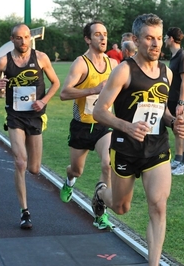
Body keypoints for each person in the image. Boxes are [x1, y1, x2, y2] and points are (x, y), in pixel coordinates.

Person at [92, 13, 184, 265]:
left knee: (158, 206)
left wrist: (175, 123)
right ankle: (102, 193)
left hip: (157, 148)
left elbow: (164, 111)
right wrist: (127, 126)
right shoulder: (124, 71)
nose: (155, 44)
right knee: (121, 207)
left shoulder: (166, 73)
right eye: (149, 38)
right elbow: (99, 111)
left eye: (158, 38)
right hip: (126, 149)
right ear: (136, 40)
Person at [0, 24, 60, 229]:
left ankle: (28, 176)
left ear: (30, 38)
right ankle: (25, 212)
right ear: (12, 39)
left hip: (35, 116)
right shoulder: (3, 61)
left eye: (26, 37)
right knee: (20, 163)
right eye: (19, 38)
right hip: (15, 116)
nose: (23, 41)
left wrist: (44, 101)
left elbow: (56, 83)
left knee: (34, 169)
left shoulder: (41, 58)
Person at [59, 20, 118, 230]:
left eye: (105, 34)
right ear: (87, 39)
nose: (103, 38)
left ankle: (101, 212)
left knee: (107, 164)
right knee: (77, 170)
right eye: (97, 35)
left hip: (103, 125)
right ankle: (69, 180)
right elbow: (64, 93)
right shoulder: (81, 63)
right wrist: (93, 90)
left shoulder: (113, 64)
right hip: (81, 126)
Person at [165, 27, 184, 175]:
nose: (163, 40)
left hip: (179, 101)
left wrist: (181, 102)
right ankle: (178, 159)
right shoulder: (174, 56)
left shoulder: (183, 56)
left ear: (170, 39)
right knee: (177, 130)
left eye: (165, 37)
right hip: (173, 99)